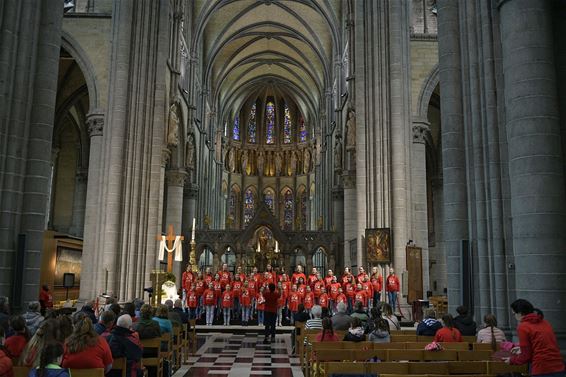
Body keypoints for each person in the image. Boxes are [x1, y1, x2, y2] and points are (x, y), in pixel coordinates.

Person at [505, 299, 565, 377]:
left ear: (519, 313)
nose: (515, 317)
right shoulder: (545, 323)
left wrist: (511, 360)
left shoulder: (523, 327)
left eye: (514, 314)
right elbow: (543, 344)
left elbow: (526, 356)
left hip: (541, 369)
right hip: (559, 367)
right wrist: (521, 348)